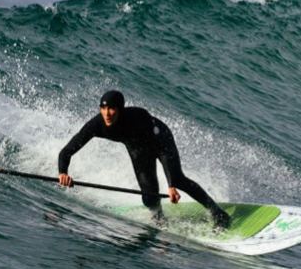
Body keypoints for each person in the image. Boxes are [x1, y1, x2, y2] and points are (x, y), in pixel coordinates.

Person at [58, 90, 231, 229]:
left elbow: (160, 147)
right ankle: (160, 219)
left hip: (160, 140)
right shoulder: (97, 125)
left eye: (111, 108)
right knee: (149, 197)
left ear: (120, 109)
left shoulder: (137, 116)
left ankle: (218, 213)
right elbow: (67, 151)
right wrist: (63, 173)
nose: (107, 113)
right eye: (103, 108)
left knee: (178, 180)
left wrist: (170, 184)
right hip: (138, 148)